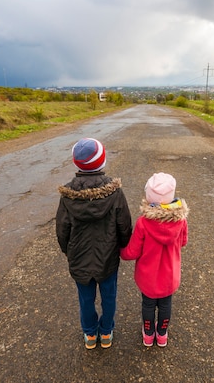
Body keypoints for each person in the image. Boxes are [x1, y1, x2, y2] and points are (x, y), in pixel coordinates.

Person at [56, 138, 132, 349]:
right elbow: (124, 224)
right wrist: (122, 246)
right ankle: (106, 331)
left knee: (85, 298)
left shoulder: (68, 196)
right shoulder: (114, 192)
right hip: (107, 257)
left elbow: (62, 229)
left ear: (76, 163)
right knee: (109, 296)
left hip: (79, 258)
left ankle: (90, 334)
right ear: (103, 161)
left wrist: (68, 251)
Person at [120, 172, 189, 347]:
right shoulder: (180, 221)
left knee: (148, 305)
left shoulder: (144, 222)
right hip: (169, 276)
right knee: (166, 305)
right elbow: (183, 242)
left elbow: (133, 251)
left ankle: (148, 334)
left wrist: (121, 252)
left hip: (147, 277)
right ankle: (162, 334)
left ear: (149, 195)